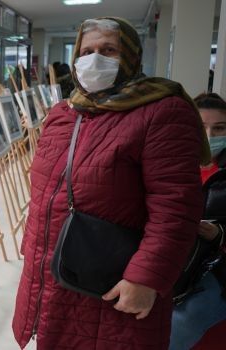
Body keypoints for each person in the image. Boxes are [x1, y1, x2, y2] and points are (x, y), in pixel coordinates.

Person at [12, 17, 211, 349]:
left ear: (131, 57)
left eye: (108, 50)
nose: (94, 59)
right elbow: (45, 196)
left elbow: (175, 208)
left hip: (115, 283)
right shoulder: (64, 113)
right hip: (52, 272)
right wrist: (32, 250)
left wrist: (145, 278)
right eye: (86, 51)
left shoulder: (162, 111)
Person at [170, 92, 226, 350]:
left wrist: (219, 234)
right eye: (201, 127)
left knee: (184, 321)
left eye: (219, 128)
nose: (210, 135)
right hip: (168, 262)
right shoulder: (168, 164)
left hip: (213, 269)